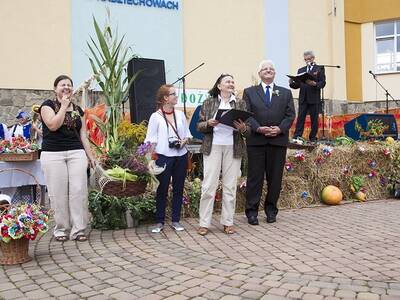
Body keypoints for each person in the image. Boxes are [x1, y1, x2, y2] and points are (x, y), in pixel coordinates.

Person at [39, 75, 95, 242]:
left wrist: (90, 156)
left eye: (69, 85)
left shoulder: (78, 110)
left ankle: (79, 229)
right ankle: (61, 229)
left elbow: (83, 135)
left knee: (79, 191)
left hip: (76, 153)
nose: (66, 87)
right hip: (53, 154)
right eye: (62, 85)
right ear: (55, 89)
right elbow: (53, 125)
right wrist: (63, 107)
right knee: (58, 193)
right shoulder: (47, 106)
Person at [244, 60, 295, 225]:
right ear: (259, 73)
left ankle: (271, 210)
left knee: (275, 179)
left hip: (277, 141)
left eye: (271, 69)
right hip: (256, 141)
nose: (268, 71)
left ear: (275, 73)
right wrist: (258, 128)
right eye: (265, 69)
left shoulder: (285, 93)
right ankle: (252, 212)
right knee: (255, 178)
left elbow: (290, 115)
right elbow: (247, 114)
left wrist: (280, 129)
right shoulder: (249, 92)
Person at [196, 74, 248, 236]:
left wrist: (243, 128)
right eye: (228, 81)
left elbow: (247, 129)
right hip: (213, 146)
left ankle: (228, 222)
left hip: (233, 147)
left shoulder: (240, 103)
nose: (231, 83)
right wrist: (208, 123)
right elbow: (199, 126)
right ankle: (204, 223)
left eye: (233, 81)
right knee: (208, 186)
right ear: (219, 85)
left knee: (230, 186)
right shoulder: (209, 102)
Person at [144, 84, 192, 233]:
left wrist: (185, 141)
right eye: (173, 94)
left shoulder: (180, 115)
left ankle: (176, 220)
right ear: (165, 98)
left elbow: (188, 134)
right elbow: (150, 139)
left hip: (181, 156)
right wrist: (150, 159)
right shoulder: (155, 116)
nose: (176, 97)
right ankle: (159, 221)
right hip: (164, 156)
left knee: (178, 189)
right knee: (162, 189)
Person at [290, 50, 326, 142]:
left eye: (309, 59)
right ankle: (297, 136)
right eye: (305, 59)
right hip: (303, 98)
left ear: (313, 58)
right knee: (300, 118)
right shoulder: (301, 70)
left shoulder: (319, 69)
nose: (307, 61)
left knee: (314, 119)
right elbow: (297, 85)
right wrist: (291, 83)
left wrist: (315, 84)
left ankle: (313, 137)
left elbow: (323, 82)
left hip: (314, 98)